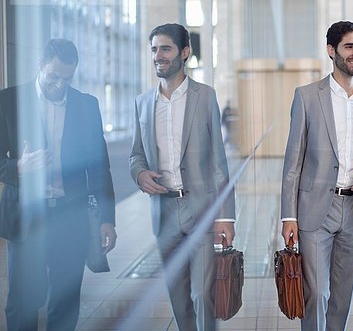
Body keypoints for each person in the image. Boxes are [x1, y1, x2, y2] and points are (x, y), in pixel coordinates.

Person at [280, 20, 353, 331]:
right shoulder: (307, 96)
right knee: (317, 293)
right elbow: (293, 161)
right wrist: (288, 216)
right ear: (332, 51)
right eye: (349, 46)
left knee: (342, 296)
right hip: (315, 209)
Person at [0, 38, 117, 330]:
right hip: (27, 218)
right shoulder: (8, 101)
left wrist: (106, 219)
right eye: (54, 76)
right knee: (23, 303)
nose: (59, 85)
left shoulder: (87, 105)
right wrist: (18, 167)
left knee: (65, 304)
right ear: (40, 66)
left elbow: (100, 167)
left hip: (71, 216)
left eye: (67, 78)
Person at [129, 23, 235, 331]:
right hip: (163, 211)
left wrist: (226, 217)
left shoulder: (205, 97)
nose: (158, 56)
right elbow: (136, 154)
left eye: (165, 49)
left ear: (184, 53)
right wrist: (139, 174)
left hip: (200, 208)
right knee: (178, 296)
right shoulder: (143, 103)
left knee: (202, 293)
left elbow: (219, 161)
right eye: (154, 50)